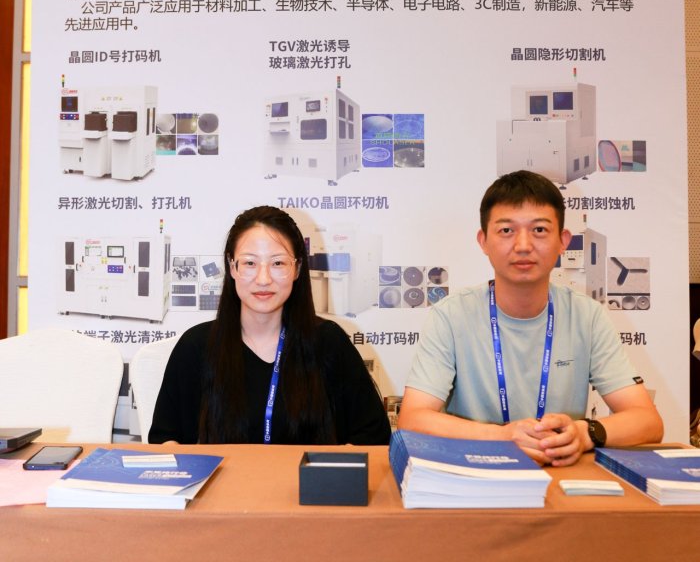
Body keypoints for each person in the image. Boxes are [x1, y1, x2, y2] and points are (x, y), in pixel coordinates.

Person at [397, 170, 663, 466]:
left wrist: (584, 433)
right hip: (477, 473)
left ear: (562, 241)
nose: (523, 245)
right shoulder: (451, 315)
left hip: (559, 471)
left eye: (539, 230)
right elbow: (412, 419)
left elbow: (647, 421)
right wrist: (502, 437)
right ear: (483, 241)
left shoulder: (586, 316)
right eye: (506, 230)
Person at [150, 205, 391, 445]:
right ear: (232, 267)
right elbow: (164, 440)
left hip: (305, 473)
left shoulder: (329, 343)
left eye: (277, 263)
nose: (263, 279)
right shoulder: (196, 347)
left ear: (297, 268)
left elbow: (374, 436)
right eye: (250, 263)